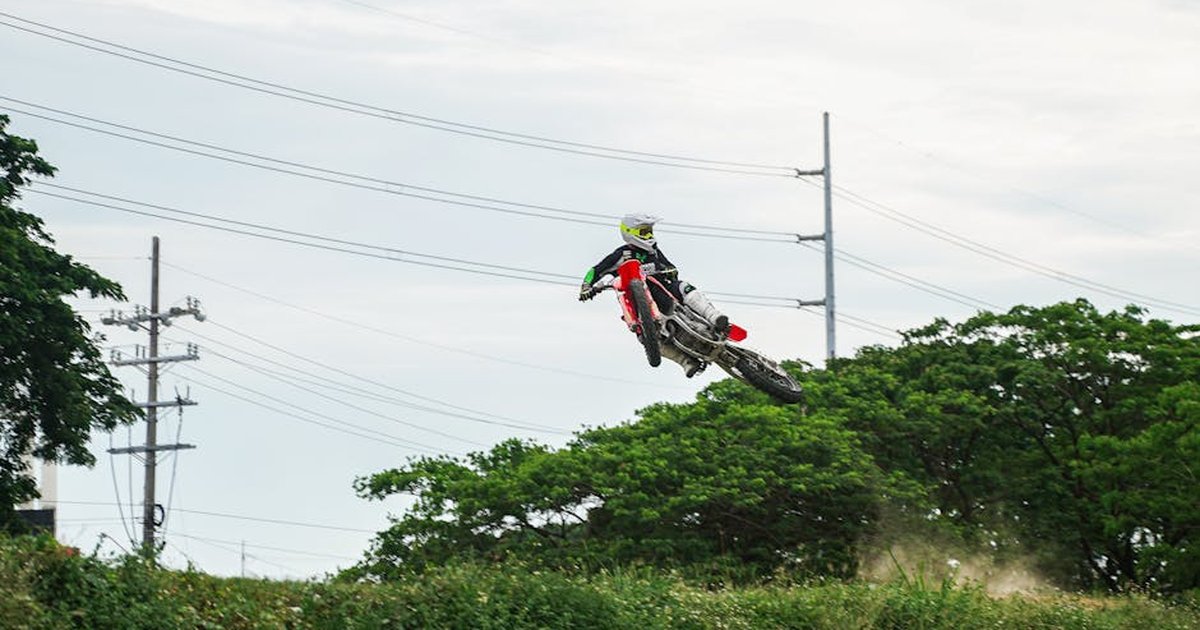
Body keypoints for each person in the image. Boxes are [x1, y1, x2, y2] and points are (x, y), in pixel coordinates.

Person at [578, 213, 728, 377]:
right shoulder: (620, 255)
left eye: (650, 232)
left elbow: (670, 266)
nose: (649, 236)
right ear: (630, 232)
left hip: (665, 290)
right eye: (644, 233)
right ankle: (685, 361)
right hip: (637, 301)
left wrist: (670, 270)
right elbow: (596, 270)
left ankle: (714, 316)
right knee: (642, 336)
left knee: (684, 286)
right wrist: (586, 286)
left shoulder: (654, 251)